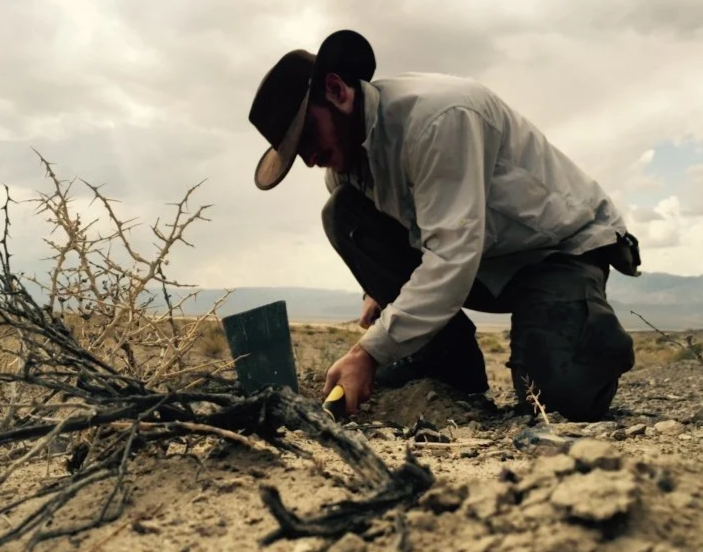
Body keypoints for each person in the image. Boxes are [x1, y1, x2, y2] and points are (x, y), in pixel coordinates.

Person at [247, 30, 641, 422]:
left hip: (555, 253)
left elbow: (452, 257)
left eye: (308, 136)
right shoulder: (345, 167)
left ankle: (590, 331)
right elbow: (421, 241)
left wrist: (367, 352)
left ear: (337, 91)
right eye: (297, 152)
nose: (310, 158)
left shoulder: (437, 119)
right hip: (482, 264)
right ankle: (447, 361)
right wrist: (377, 291)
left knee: (558, 402)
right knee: (341, 213)